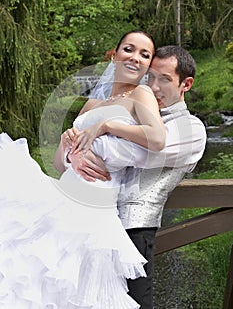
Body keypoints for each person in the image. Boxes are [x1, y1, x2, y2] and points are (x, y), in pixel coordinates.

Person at [0, 30, 169, 309]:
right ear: (113, 56)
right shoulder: (91, 104)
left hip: (94, 206)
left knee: (76, 292)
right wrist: (68, 150)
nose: (135, 57)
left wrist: (107, 126)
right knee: (37, 281)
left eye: (145, 54)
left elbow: (157, 138)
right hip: (63, 192)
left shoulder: (141, 94)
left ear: (149, 66)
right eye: (129, 49)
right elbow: (57, 163)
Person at [66, 45, 207, 309]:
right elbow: (78, 158)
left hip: (134, 230)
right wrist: (72, 153)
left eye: (164, 79)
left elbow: (131, 153)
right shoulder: (135, 111)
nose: (153, 87)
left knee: (133, 304)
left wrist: (101, 129)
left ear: (185, 84)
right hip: (93, 221)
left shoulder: (192, 129)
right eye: (149, 77)